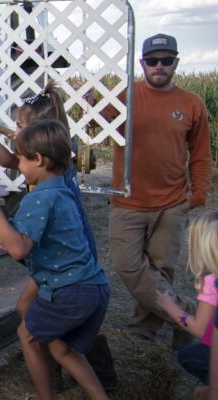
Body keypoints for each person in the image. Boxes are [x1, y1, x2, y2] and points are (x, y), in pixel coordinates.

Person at [0, 82, 117, 392]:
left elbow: (17, 248)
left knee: (39, 329)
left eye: (18, 129)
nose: (15, 140)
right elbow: (11, 158)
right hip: (64, 258)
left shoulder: (43, 194)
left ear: (39, 147)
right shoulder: (53, 168)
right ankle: (51, 368)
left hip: (65, 262)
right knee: (30, 313)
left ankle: (82, 376)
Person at [90, 33, 213, 342]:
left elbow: (200, 155)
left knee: (161, 269)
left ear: (176, 63)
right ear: (142, 63)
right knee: (127, 265)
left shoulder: (191, 103)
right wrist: (91, 103)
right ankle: (185, 316)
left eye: (166, 60)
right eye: (152, 61)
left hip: (171, 204)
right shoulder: (123, 96)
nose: (159, 66)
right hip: (127, 201)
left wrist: (197, 195)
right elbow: (94, 124)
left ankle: (144, 333)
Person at [157, 211, 218, 384]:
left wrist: (170, 306)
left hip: (213, 349)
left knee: (187, 356)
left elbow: (199, 328)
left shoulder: (211, 282)